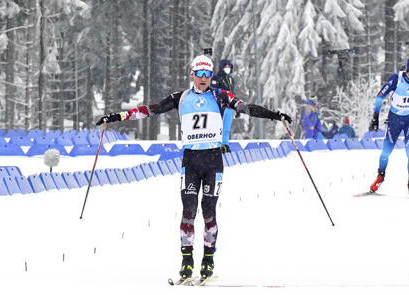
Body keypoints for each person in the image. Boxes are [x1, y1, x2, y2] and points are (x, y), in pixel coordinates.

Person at [95, 55, 291, 283]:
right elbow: (152, 109)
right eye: (199, 74)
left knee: (209, 211)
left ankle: (208, 261)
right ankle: (186, 262)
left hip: (213, 161)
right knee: (188, 211)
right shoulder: (181, 98)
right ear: (192, 75)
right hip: (191, 161)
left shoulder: (220, 96)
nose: (203, 79)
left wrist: (275, 115)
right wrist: (118, 116)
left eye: (208, 74)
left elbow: (246, 108)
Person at [368, 55, 409, 197]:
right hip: (395, 120)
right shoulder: (396, 79)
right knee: (386, 151)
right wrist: (375, 117)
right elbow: (379, 96)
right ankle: (380, 177)